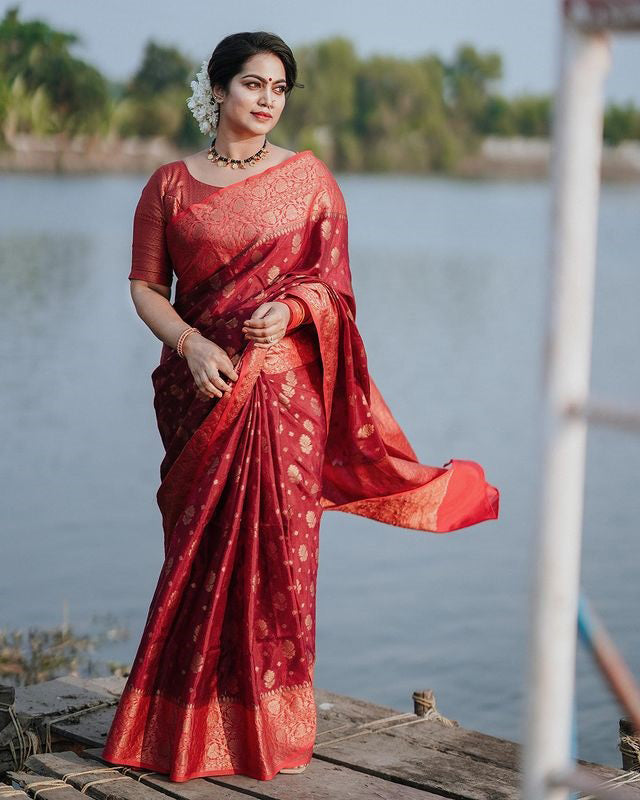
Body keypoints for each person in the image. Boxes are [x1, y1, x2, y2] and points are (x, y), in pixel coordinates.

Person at [101, 31, 500, 783]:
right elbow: (145, 288)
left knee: (279, 557)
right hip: (203, 390)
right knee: (195, 557)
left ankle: (265, 731)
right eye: (253, 84)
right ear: (216, 89)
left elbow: (336, 292)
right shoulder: (167, 187)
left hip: (284, 397)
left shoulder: (311, 181)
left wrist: (288, 315)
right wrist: (188, 343)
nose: (266, 100)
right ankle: (179, 723)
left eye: (279, 89)